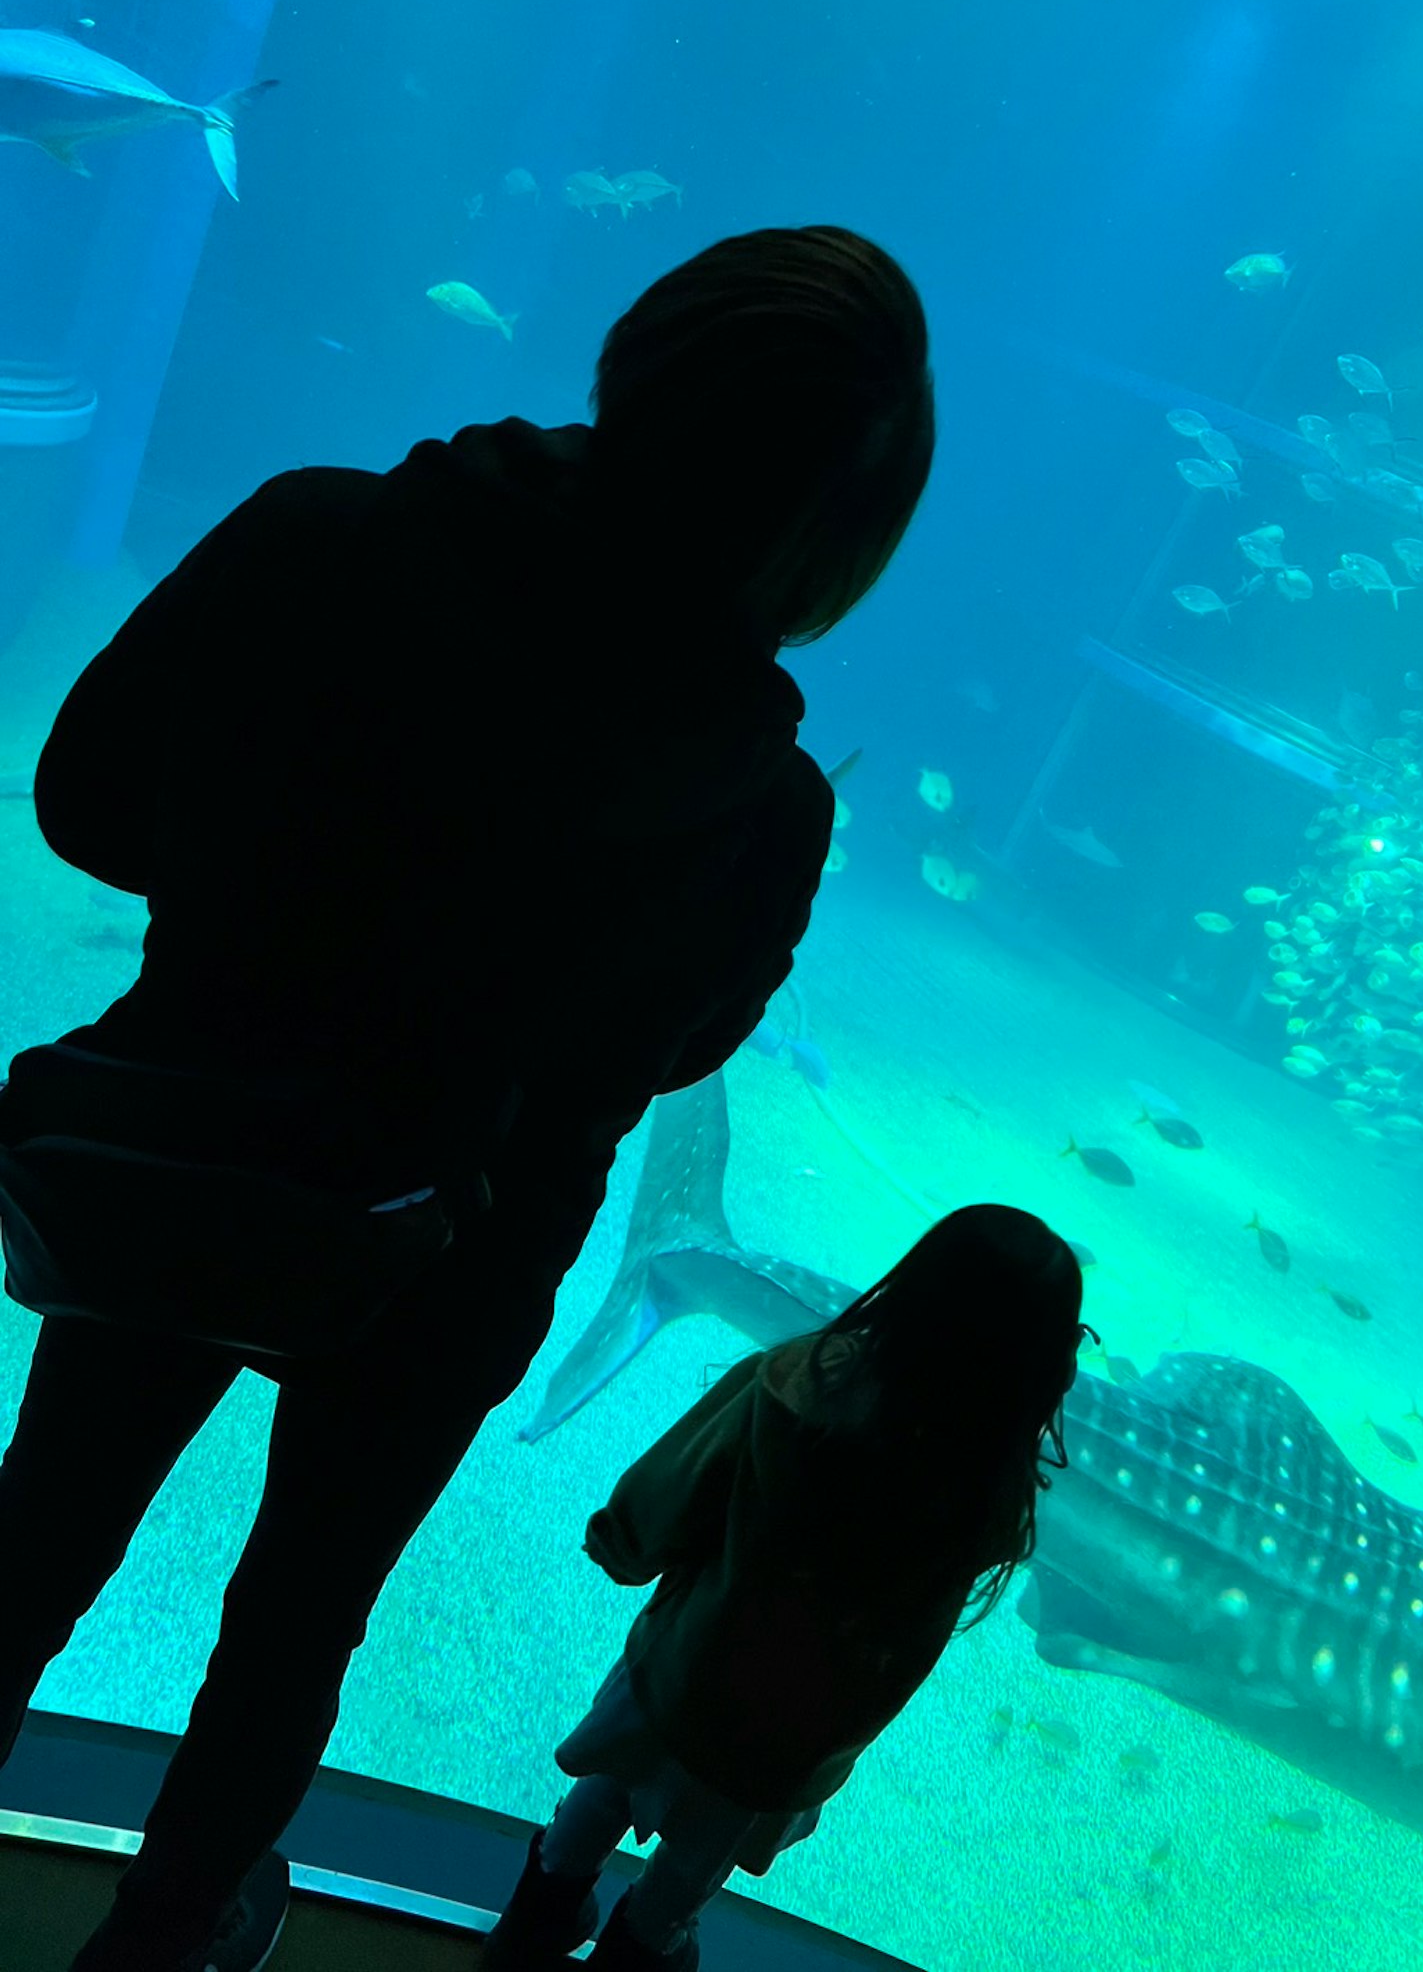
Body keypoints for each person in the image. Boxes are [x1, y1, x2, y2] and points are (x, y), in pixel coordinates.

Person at [0, 224, 935, 1972]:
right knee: (300, 1615)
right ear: (839, 531)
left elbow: (83, 797)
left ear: (640, 356)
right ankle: (167, 1932)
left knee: (36, 1534)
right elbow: (671, 1049)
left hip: (191, 1136)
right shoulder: (768, 804)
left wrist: (264, 921)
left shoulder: (315, 538)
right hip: (457, 1252)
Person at [485, 1206, 1090, 1971]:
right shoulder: (991, 1498)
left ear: (910, 1290)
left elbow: (673, 1487)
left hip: (682, 1669)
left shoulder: (790, 1384)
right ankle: (643, 1948)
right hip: (789, 1741)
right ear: (1041, 1364)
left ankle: (533, 1921)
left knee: (605, 1788)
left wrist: (625, 1541)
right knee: (694, 1865)